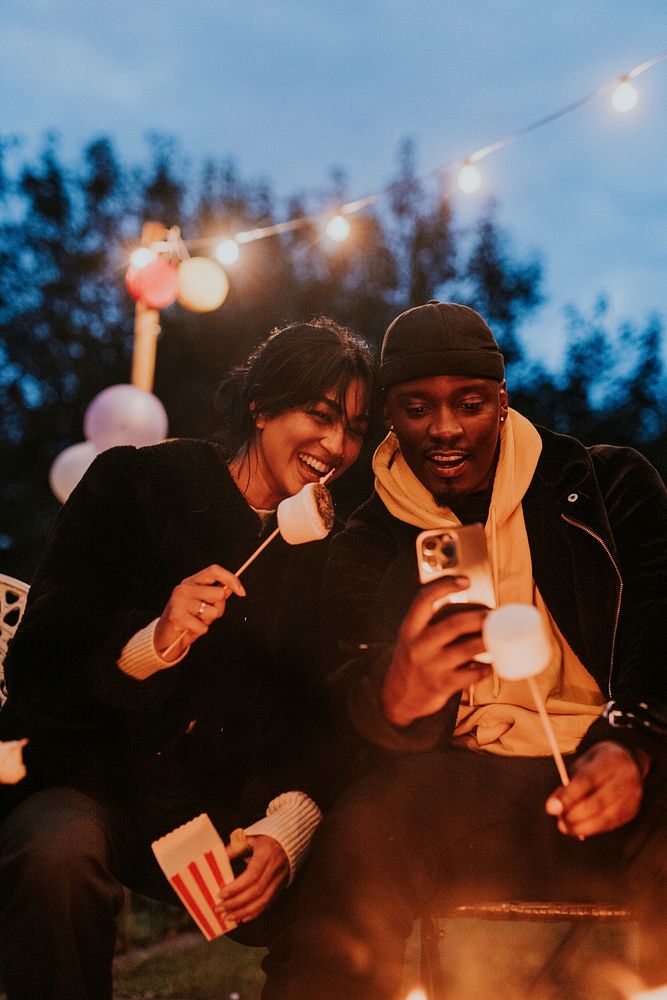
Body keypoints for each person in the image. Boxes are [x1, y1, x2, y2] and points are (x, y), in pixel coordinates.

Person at [262, 301, 667, 999]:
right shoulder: (369, 537)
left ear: (503, 402)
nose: (444, 429)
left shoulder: (606, 484)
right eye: (417, 408)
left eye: (469, 403)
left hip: (622, 765)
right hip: (467, 783)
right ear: (389, 414)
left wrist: (629, 741)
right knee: (362, 837)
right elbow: (341, 696)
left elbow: (661, 618)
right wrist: (396, 699)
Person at [0, 316, 374, 1000]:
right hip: (90, 784)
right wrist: (153, 641)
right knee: (56, 854)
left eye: (352, 427)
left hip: (222, 815)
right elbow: (39, 666)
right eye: (319, 415)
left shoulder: (331, 557)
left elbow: (326, 720)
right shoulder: (134, 483)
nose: (335, 445)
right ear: (260, 405)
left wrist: (286, 829)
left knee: (345, 891)